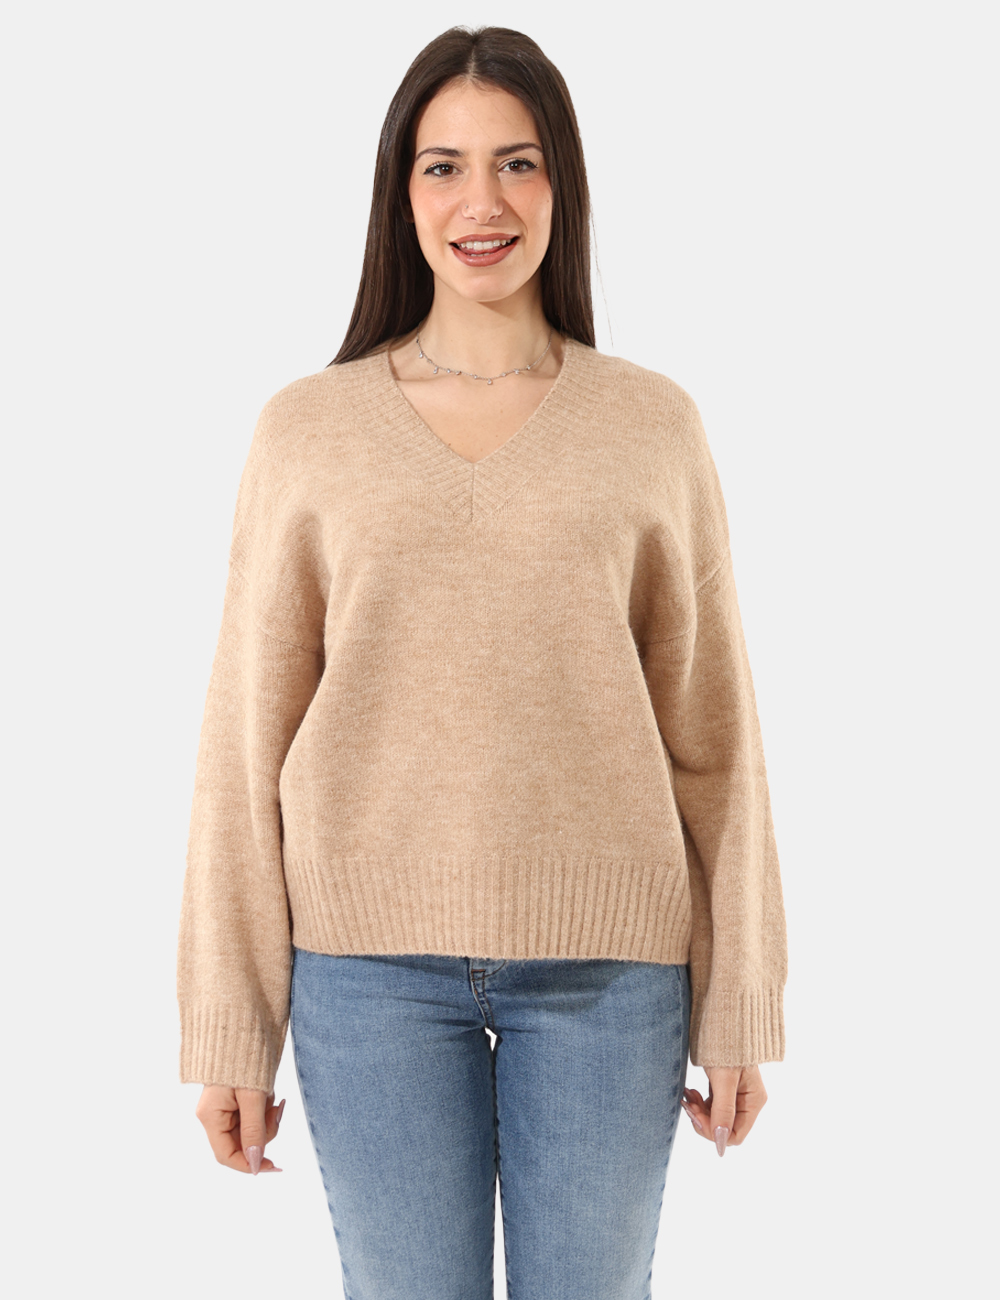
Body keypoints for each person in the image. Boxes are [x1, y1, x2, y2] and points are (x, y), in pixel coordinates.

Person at [177, 23, 788, 1300]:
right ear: (400, 195)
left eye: (517, 162)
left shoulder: (651, 425)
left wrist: (741, 996)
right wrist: (230, 1024)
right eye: (442, 166)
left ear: (562, 182)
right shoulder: (308, 431)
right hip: (368, 980)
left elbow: (716, 741)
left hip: (611, 979)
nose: (482, 203)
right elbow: (243, 745)